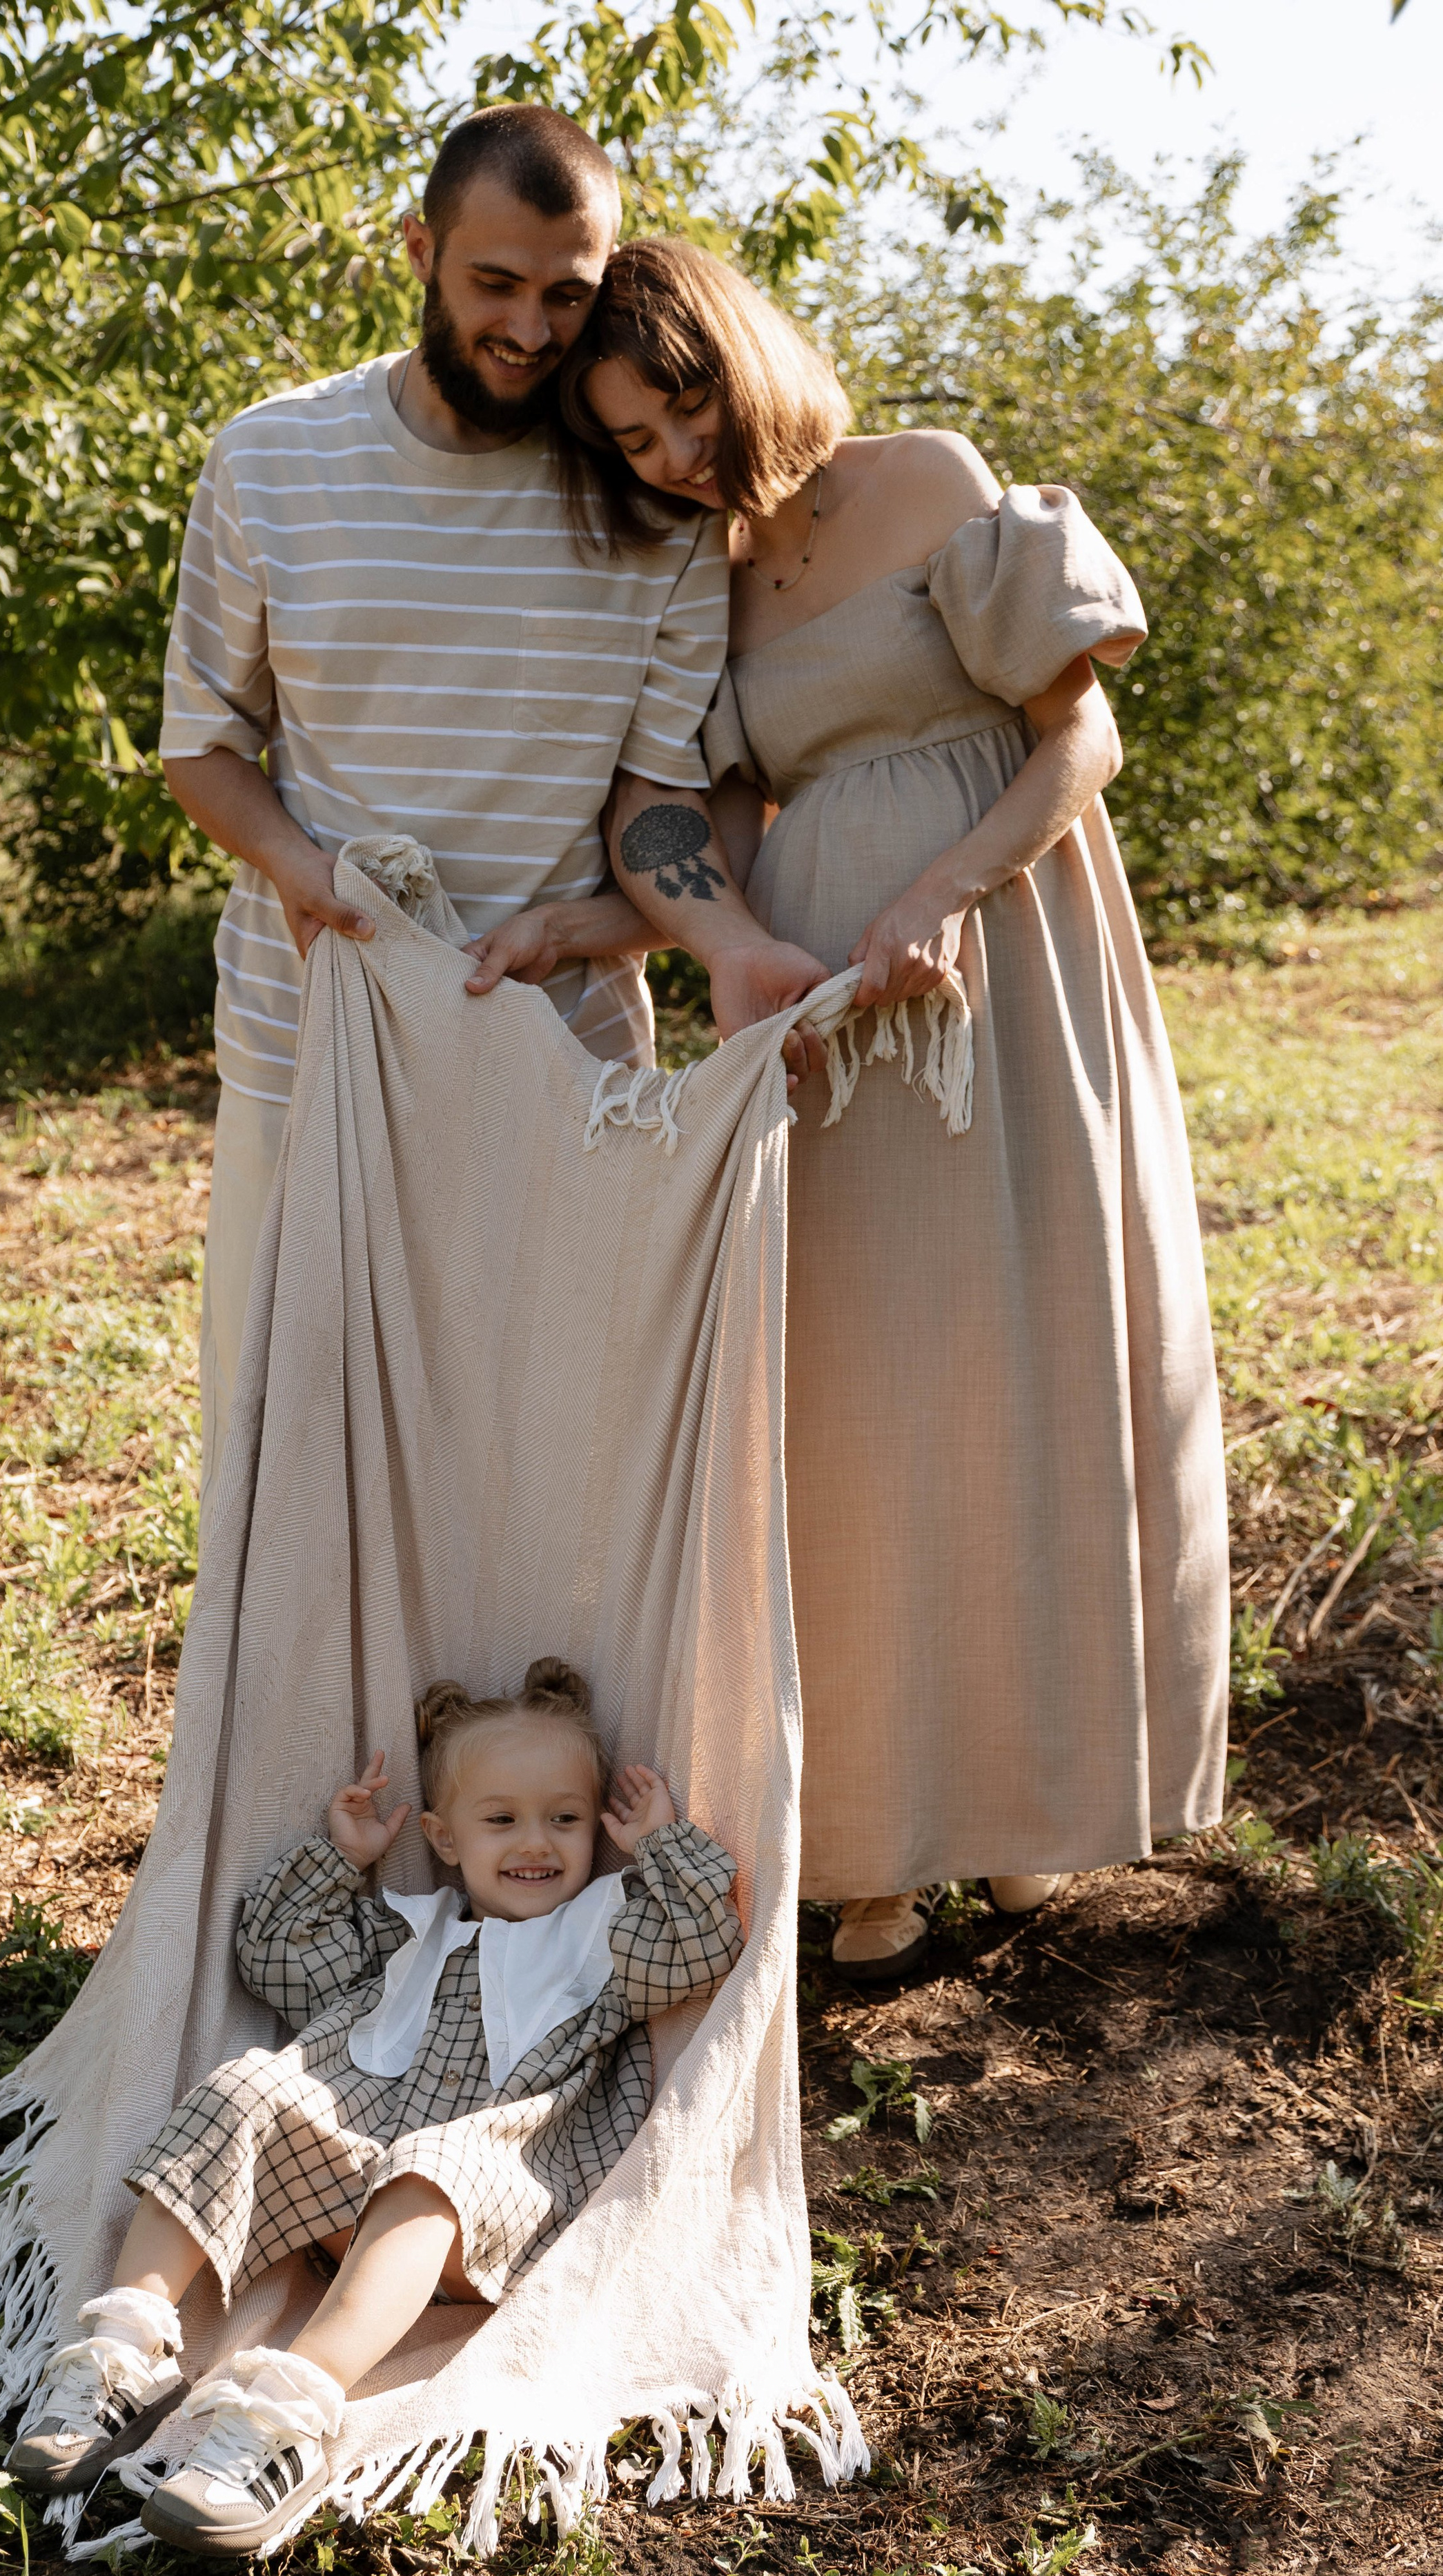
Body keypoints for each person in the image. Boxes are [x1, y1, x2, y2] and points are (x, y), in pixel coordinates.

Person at [560, 240, 1230, 1980]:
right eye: (629, 440)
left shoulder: (924, 480)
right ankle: (875, 1837)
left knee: (1026, 1358)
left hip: (1006, 962)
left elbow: (1073, 738)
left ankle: (1024, 1802)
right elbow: (692, 818)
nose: (667, 458)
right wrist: (731, 952)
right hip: (827, 1010)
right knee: (857, 1400)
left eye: (678, 408)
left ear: (738, 356)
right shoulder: (696, 579)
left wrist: (943, 885)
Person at [158, 104, 820, 1497]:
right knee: (296, 1454)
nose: (530, 326)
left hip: (561, 1056)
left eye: (565, 294)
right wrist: (303, 869)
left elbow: (655, 800)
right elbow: (202, 747)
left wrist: (717, 942)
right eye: (494, 283)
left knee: (549, 1463)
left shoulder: (649, 498)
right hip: (312, 1041)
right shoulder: (271, 461)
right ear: (420, 250)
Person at [4, 1660, 742, 2555]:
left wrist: (662, 1846)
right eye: (501, 1819)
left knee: (435, 2168)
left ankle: (290, 2412)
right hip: (344, 2186)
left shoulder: (600, 1929)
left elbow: (701, 1947)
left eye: (566, 1818)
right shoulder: (408, 1927)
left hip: (494, 2191)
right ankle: (126, 2347)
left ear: (600, 1830)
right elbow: (276, 1958)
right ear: (442, 1835)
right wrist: (341, 1858)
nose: (535, 1842)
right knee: (244, 2090)